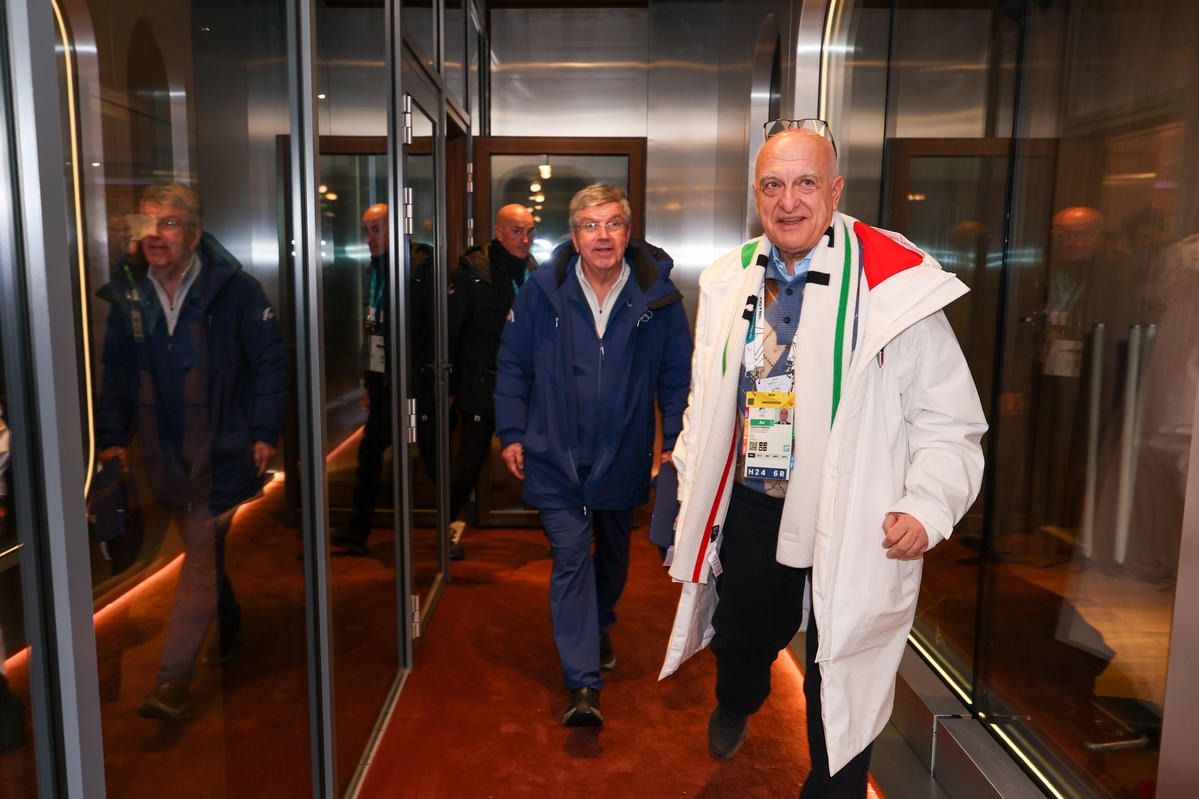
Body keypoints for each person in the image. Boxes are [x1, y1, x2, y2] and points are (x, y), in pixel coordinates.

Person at [660, 122, 986, 796]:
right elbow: (708, 396)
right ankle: (738, 695)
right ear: (756, 195)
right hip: (754, 501)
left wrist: (927, 504)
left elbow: (948, 419)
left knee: (840, 663)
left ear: (835, 190)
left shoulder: (894, 286)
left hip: (854, 513)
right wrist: (688, 482)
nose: (789, 201)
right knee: (744, 631)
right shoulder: (728, 279)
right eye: (773, 185)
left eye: (805, 182)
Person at [495, 184, 692, 727]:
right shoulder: (541, 292)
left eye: (612, 224)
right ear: (574, 234)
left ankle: (599, 621)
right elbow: (512, 366)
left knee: (611, 556)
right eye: (589, 225)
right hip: (553, 453)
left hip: (623, 455)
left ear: (628, 233)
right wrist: (512, 432)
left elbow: (677, 377)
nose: (602, 236)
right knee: (570, 557)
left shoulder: (659, 299)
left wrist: (675, 441)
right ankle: (582, 683)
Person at [97, 183, 286, 721]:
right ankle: (230, 620)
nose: (155, 234)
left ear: (195, 234)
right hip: (163, 456)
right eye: (148, 223)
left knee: (200, 555)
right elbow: (117, 375)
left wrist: (264, 431)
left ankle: (171, 680)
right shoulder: (130, 297)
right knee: (204, 553)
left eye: (169, 223)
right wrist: (112, 439)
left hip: (222, 450)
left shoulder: (237, 291)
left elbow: (270, 364)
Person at [446, 204, 539, 558]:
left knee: (541, 457)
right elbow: (452, 334)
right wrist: (451, 388)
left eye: (530, 231)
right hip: (481, 385)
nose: (525, 239)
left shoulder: (535, 273)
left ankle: (559, 528)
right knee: (470, 461)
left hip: (526, 388)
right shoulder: (472, 274)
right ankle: (444, 531)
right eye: (517, 231)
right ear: (498, 232)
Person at [333, 203, 395, 557]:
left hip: (411, 385)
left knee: (435, 461)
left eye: (376, 229)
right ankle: (357, 531)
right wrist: (370, 384)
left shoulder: (410, 270)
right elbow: (373, 332)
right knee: (369, 455)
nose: (370, 238)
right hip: (383, 382)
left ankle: (449, 524)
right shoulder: (375, 270)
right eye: (367, 230)